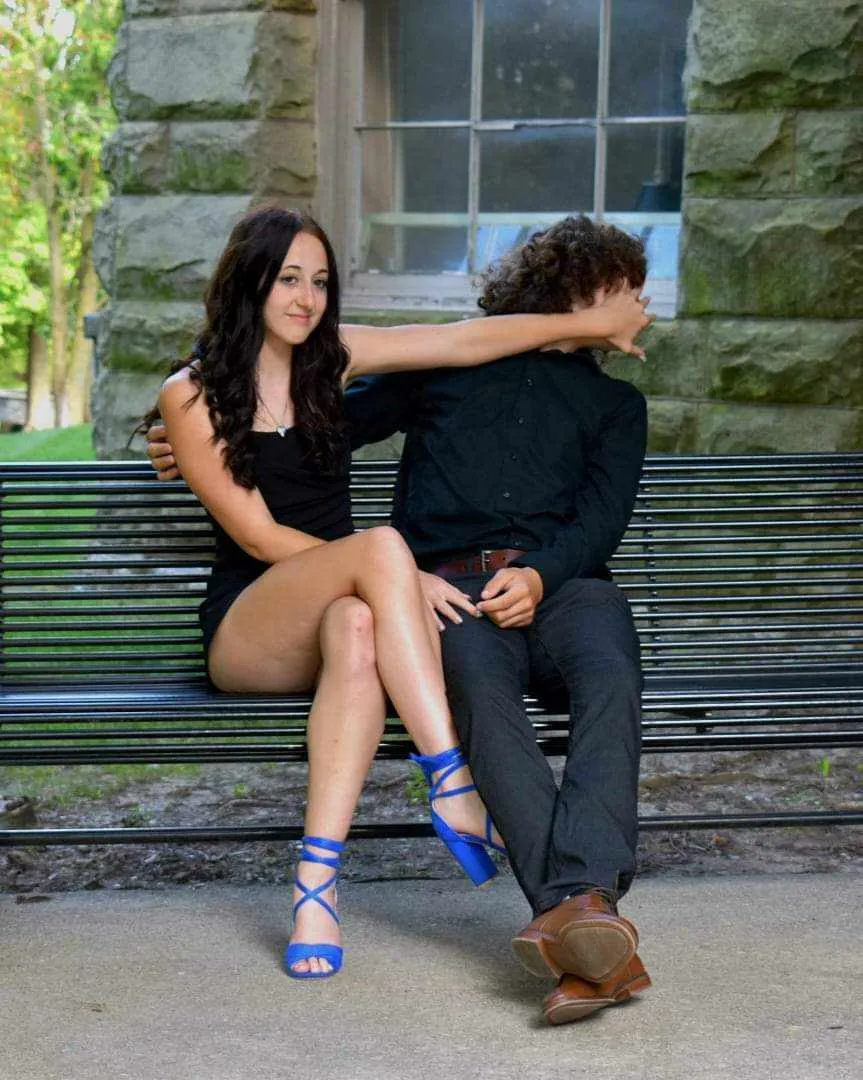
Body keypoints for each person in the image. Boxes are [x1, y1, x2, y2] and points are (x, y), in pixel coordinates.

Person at [142, 206, 653, 986]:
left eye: (319, 281)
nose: (307, 296)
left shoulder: (332, 362)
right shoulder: (214, 391)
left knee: (370, 629)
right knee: (415, 602)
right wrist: (393, 572)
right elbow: (266, 507)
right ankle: (459, 789)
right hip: (320, 607)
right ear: (249, 281)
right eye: (288, 279)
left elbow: (467, 343)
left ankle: (338, 892)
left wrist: (587, 324)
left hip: (429, 599)